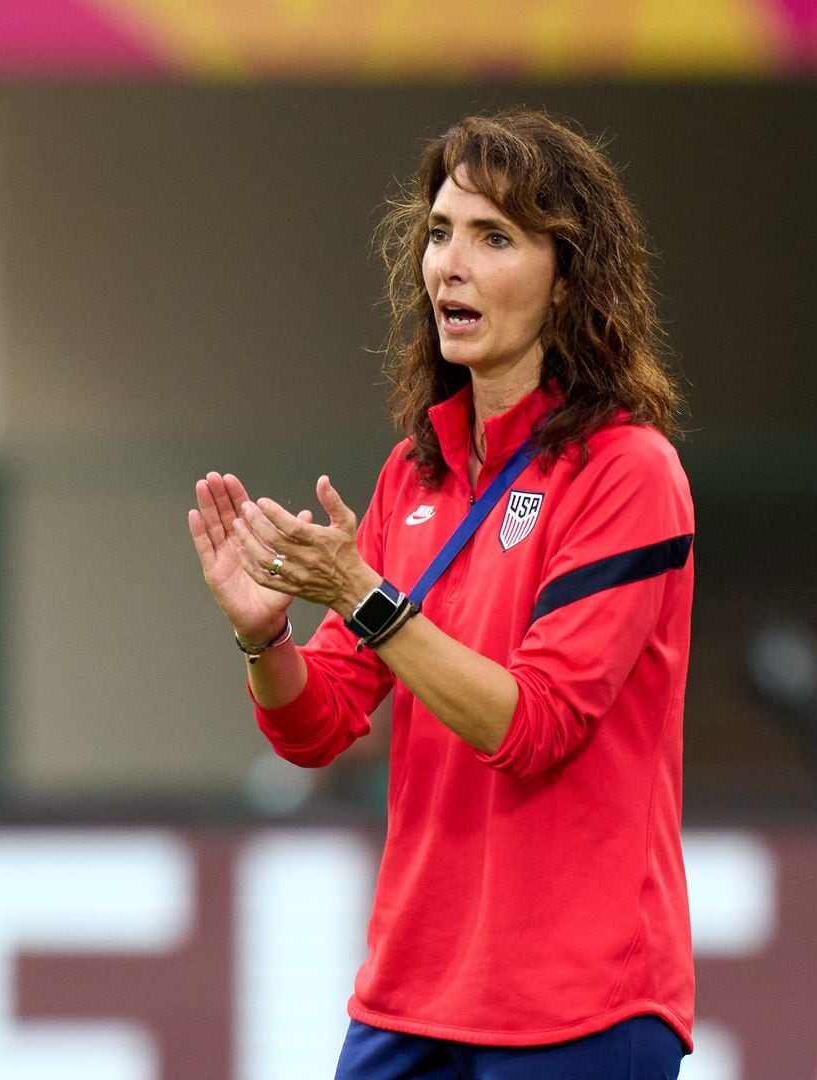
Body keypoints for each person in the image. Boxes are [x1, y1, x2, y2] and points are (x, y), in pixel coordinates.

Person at [189, 109, 695, 1079]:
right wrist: (267, 643)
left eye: (494, 236)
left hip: (579, 1010)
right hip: (410, 998)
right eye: (440, 231)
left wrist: (367, 598)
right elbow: (319, 727)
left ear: (569, 276)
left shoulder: (630, 473)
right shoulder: (411, 475)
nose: (449, 265)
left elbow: (534, 726)